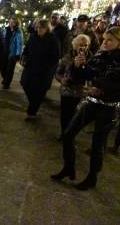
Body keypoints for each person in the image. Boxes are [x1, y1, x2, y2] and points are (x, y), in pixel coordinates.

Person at [51, 27, 120, 190]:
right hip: (90, 102)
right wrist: (77, 66)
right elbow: (82, 76)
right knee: (68, 135)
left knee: (97, 145)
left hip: (108, 107)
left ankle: (92, 177)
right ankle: (69, 167)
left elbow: (115, 84)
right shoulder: (100, 56)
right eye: (104, 39)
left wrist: (100, 88)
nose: (105, 42)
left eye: (110, 40)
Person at [20, 19, 60, 120]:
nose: (38, 29)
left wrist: (47, 68)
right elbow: (26, 49)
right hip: (30, 67)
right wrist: (24, 56)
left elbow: (55, 57)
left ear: (47, 29)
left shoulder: (53, 40)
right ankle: (33, 105)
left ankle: (32, 112)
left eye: (41, 28)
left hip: (44, 71)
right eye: (37, 27)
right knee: (25, 84)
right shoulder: (33, 37)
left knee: (39, 92)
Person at [55, 34, 93, 139]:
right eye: (80, 45)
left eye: (85, 45)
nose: (83, 47)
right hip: (67, 91)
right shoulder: (67, 57)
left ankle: (70, 135)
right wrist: (61, 79)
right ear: (74, 45)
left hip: (82, 92)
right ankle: (64, 133)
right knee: (65, 115)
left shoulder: (91, 59)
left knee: (76, 116)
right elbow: (58, 72)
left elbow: (93, 76)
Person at [2, 15, 24, 89]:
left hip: (13, 53)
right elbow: (3, 39)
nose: (11, 23)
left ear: (16, 23)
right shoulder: (6, 30)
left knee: (10, 70)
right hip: (5, 51)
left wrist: (18, 54)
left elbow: (19, 44)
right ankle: (5, 79)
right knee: (3, 68)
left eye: (13, 22)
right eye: (10, 22)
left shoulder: (18, 32)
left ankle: (7, 83)